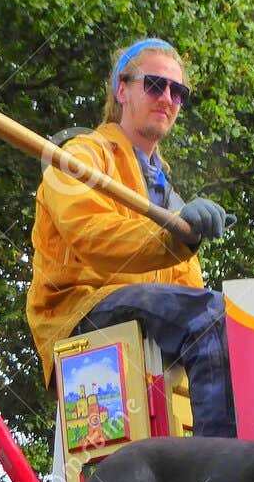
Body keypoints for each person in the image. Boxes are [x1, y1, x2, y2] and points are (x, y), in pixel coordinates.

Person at [27, 38, 237, 437]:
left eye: (178, 91)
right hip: (80, 311)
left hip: (143, 321)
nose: (168, 98)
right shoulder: (83, 155)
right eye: (155, 84)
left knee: (239, 329)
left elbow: (189, 290)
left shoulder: (168, 192)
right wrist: (175, 236)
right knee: (214, 319)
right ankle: (219, 472)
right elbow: (91, 236)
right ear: (121, 89)